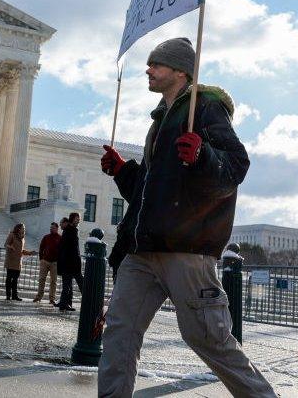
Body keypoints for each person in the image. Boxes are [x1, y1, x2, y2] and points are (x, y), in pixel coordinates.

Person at [97, 38, 276, 397]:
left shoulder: (205, 108)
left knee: (208, 338)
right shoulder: (159, 122)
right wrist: (122, 171)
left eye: (157, 64)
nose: (148, 70)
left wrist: (203, 155)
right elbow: (151, 193)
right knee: (119, 331)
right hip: (142, 249)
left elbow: (235, 167)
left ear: (180, 71)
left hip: (186, 248)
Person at [56, 212, 83, 312]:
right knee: (80, 283)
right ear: (72, 219)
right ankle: (88, 301)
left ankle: (63, 305)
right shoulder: (71, 231)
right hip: (72, 263)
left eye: (79, 218)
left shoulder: (68, 231)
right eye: (77, 218)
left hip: (68, 263)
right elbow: (73, 249)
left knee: (67, 285)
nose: (79, 220)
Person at [3, 223, 35, 301]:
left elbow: (22, 250)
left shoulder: (23, 238)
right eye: (23, 228)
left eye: (24, 228)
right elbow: (6, 244)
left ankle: (15, 296)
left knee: (15, 280)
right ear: (18, 228)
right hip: (11, 260)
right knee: (9, 279)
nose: (24, 229)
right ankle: (8, 295)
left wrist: (30, 253)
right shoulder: (12, 235)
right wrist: (11, 247)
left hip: (18, 262)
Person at [33, 222, 62, 304]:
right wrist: (41, 259)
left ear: (57, 228)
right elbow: (41, 248)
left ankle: (52, 298)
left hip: (55, 263)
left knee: (54, 281)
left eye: (52, 228)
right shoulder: (46, 237)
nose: (51, 229)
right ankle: (38, 297)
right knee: (41, 279)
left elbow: (62, 250)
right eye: (50, 227)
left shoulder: (60, 238)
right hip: (45, 261)